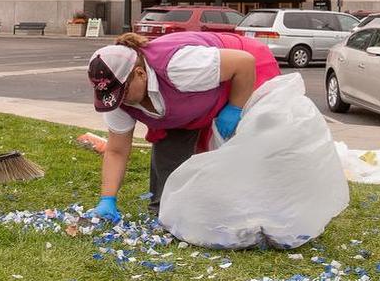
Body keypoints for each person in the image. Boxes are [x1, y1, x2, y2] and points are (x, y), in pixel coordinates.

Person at [86, 30, 280, 221]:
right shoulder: (115, 100)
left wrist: (235, 109)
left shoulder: (178, 65)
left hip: (244, 77)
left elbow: (244, 62)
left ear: (140, 74)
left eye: (122, 93)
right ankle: (170, 208)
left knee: (245, 149)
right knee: (169, 179)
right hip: (186, 105)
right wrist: (107, 199)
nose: (119, 101)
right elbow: (117, 151)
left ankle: (257, 209)